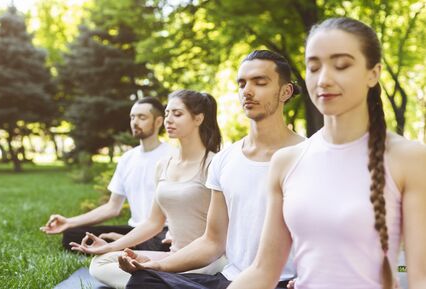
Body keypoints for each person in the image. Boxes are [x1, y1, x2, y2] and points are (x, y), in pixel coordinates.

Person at [228, 17, 426, 289]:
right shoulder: (286, 162)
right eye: (313, 67)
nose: (323, 79)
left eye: (341, 65)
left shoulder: (409, 158)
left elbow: (420, 277)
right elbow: (263, 271)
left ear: (373, 73)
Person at [120, 50, 304, 289]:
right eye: (242, 84)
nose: (247, 91)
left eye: (260, 82)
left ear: (285, 91)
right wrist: (159, 265)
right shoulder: (226, 159)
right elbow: (212, 241)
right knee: (144, 280)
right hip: (229, 280)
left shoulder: (307, 155)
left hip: (284, 283)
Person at [69, 89, 226, 289]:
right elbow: (153, 222)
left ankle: (161, 281)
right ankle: (168, 283)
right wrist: (110, 246)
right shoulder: (163, 164)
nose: (169, 119)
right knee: (101, 263)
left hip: (207, 261)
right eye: (167, 113)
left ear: (198, 118)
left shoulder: (215, 164)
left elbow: (223, 232)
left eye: (177, 114)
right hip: (173, 255)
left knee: (143, 276)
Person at [40, 97, 175, 252]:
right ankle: (124, 244)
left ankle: (123, 244)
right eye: (132, 117)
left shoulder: (172, 156)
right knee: (71, 235)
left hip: (162, 232)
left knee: (164, 244)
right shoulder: (127, 158)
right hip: (134, 229)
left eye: (142, 117)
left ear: (158, 121)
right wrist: (69, 222)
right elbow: (112, 207)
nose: (135, 122)